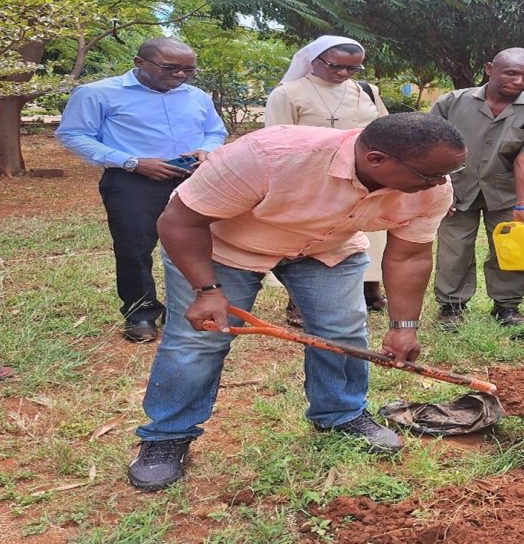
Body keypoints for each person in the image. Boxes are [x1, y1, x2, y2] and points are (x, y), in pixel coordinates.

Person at [127, 113, 465, 491]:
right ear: (376, 160)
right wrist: (207, 292)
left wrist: (404, 327)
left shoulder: (433, 187)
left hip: (326, 248)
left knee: (343, 333)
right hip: (224, 247)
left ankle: (340, 414)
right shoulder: (270, 155)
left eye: (446, 175)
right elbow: (180, 221)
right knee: (198, 342)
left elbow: (409, 256)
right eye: (428, 176)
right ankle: (166, 436)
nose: (438, 184)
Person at [55, 38, 227, 343]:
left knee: (201, 245)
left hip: (192, 178)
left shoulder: (197, 96)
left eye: (188, 70)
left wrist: (207, 149)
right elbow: (74, 134)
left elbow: (215, 130)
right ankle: (141, 314)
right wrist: (132, 162)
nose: (180, 76)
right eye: (170, 67)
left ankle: (195, 308)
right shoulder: (99, 93)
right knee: (134, 250)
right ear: (139, 62)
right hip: (132, 181)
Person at [428, 47, 524, 328]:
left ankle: (507, 307)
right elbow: (431, 147)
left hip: (506, 191)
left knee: (512, 247)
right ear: (490, 68)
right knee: (454, 248)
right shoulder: (451, 103)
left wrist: (523, 206)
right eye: (511, 73)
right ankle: (452, 307)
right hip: (456, 186)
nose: (519, 82)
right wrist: (440, 187)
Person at [265, 36, 390, 317]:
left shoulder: (367, 91)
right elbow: (276, 140)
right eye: (335, 66)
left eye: (352, 69)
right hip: (313, 180)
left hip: (364, 178)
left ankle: (370, 291)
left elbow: (385, 128)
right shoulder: (288, 93)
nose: (343, 74)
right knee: (313, 238)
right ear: (314, 60)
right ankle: (298, 302)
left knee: (369, 233)